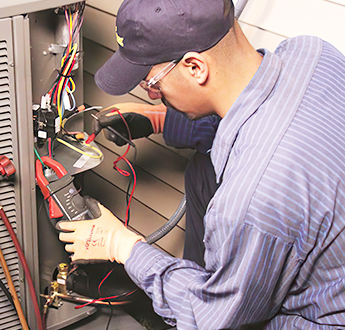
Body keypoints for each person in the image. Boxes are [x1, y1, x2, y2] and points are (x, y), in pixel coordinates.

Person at [57, 0, 345, 328]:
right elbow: (261, 113)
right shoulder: (310, 52)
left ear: (195, 67)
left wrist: (122, 245)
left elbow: (211, 319)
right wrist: (161, 120)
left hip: (321, 317)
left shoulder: (252, 203)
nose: (154, 95)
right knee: (204, 169)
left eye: (153, 84)